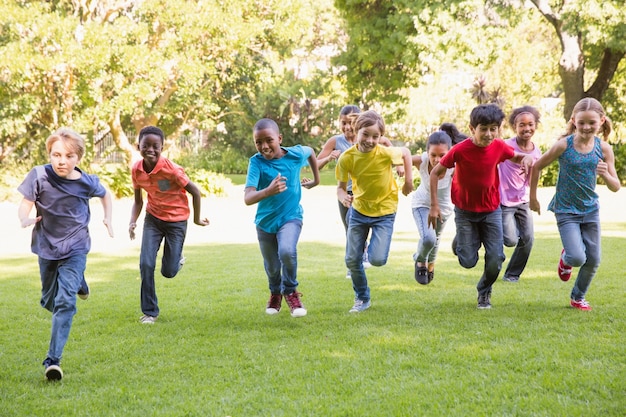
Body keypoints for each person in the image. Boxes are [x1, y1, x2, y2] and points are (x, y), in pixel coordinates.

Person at [17, 128, 114, 381]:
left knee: (65, 302)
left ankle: (53, 360)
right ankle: (80, 282)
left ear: (78, 158)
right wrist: (24, 218)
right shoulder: (38, 175)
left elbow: (106, 195)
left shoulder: (87, 182)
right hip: (46, 247)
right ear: (49, 154)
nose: (62, 160)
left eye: (69, 155)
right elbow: (25, 203)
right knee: (49, 300)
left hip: (76, 247)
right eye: (56, 154)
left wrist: (108, 218)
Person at [429, 104, 534, 309]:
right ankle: (461, 241)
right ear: (472, 128)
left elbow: (516, 156)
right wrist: (434, 205)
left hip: (491, 210)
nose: (488, 134)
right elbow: (435, 172)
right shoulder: (460, 150)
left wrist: (527, 157)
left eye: (493, 128)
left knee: (496, 259)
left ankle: (484, 292)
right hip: (465, 212)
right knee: (467, 261)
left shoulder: (499, 146)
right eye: (483, 128)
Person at [529, 97, 620, 311]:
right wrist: (533, 197)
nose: (587, 127)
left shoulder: (604, 149)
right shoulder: (564, 145)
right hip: (566, 210)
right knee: (578, 256)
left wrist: (605, 175)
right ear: (573, 121)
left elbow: (615, 186)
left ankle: (578, 297)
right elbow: (536, 166)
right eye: (582, 123)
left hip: (590, 210)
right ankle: (566, 258)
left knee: (594, 258)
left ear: (601, 121)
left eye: (592, 123)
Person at [129, 126, 209, 324]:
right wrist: (132, 221)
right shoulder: (136, 170)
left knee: (169, 272)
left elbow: (195, 192)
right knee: (145, 263)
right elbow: (138, 200)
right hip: (153, 220)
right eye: (146, 145)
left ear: (162, 147)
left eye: (155, 146)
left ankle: (177, 259)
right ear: (138, 146)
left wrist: (197, 219)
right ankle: (150, 312)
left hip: (176, 222)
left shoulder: (171, 170)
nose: (150, 149)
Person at [336, 110, 413, 312]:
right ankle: (362, 298)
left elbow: (405, 153)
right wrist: (343, 197)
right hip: (359, 211)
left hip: (384, 212)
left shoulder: (385, 153)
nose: (370, 140)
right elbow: (340, 188)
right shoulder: (347, 158)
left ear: (381, 137)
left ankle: (367, 244)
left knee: (377, 259)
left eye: (375, 136)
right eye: (366, 134)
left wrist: (408, 181)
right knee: (352, 260)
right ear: (356, 131)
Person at [244, 118, 320, 317]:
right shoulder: (256, 162)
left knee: (287, 251)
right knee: (271, 267)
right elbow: (248, 197)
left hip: (291, 217)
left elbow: (310, 151)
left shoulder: (295, 154)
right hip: (265, 223)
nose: (264, 146)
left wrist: (316, 180)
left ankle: (291, 292)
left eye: (269, 140)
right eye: (258, 142)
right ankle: (275, 292)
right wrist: (268, 191)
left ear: (279, 138)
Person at [317, 105, 397, 278]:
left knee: (355, 227)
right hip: (347, 192)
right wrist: (329, 157)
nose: (346, 127)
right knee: (350, 228)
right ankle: (355, 262)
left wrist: (398, 167)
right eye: (343, 122)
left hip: (366, 193)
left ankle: (363, 254)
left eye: (350, 122)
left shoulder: (372, 137)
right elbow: (315, 164)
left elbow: (394, 151)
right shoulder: (335, 141)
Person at [498, 106, 543, 282]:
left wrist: (533, 198)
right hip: (504, 201)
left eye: (530, 124)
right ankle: (491, 242)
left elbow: (533, 177)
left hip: (522, 201)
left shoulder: (536, 151)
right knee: (510, 240)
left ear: (535, 126)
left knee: (528, 239)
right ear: (514, 127)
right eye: (522, 125)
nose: (527, 128)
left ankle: (512, 275)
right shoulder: (506, 146)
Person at [411, 130, 454, 285]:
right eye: (433, 155)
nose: (437, 160)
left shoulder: (453, 166)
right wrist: (405, 172)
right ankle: (420, 261)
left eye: (442, 155)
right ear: (427, 152)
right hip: (422, 205)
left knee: (435, 239)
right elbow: (402, 158)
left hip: (444, 209)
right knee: (428, 238)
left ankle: (430, 264)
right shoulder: (422, 161)